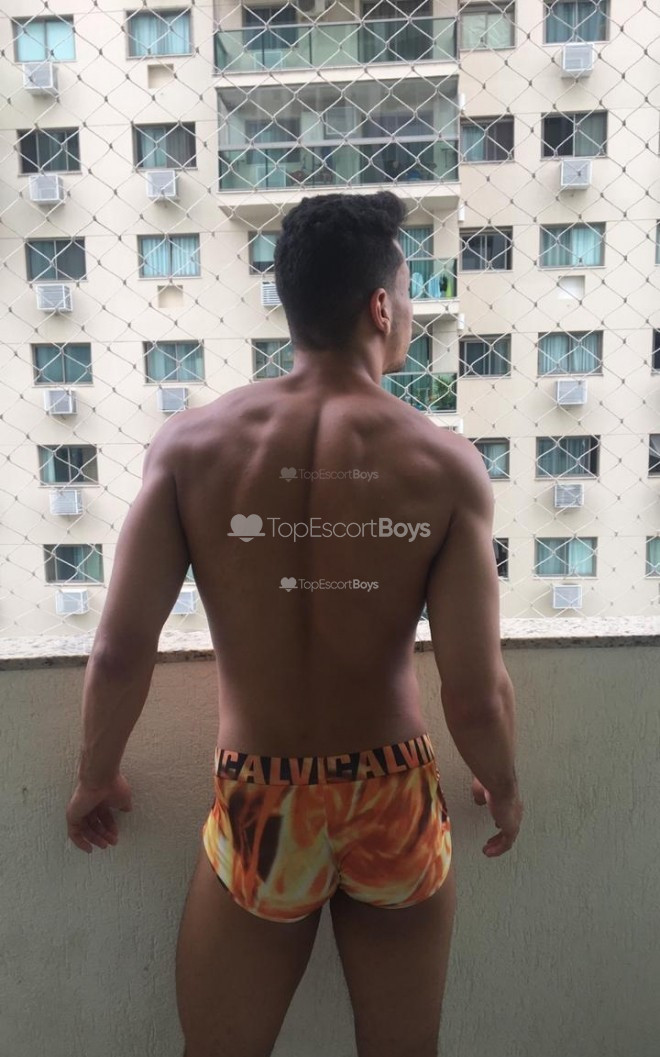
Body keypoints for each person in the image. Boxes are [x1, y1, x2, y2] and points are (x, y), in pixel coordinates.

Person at [66, 190, 523, 1057]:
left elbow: (121, 649)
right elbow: (474, 690)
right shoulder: (444, 463)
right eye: (408, 296)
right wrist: (502, 784)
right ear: (380, 306)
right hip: (390, 788)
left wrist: (95, 773)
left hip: (261, 791)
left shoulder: (191, 447)